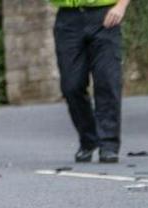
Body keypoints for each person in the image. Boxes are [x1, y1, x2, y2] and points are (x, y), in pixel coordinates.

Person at [52, 0, 129, 164]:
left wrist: (121, 6)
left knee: (107, 81)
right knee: (71, 86)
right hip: (68, 20)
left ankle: (108, 145)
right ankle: (89, 139)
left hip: (105, 16)